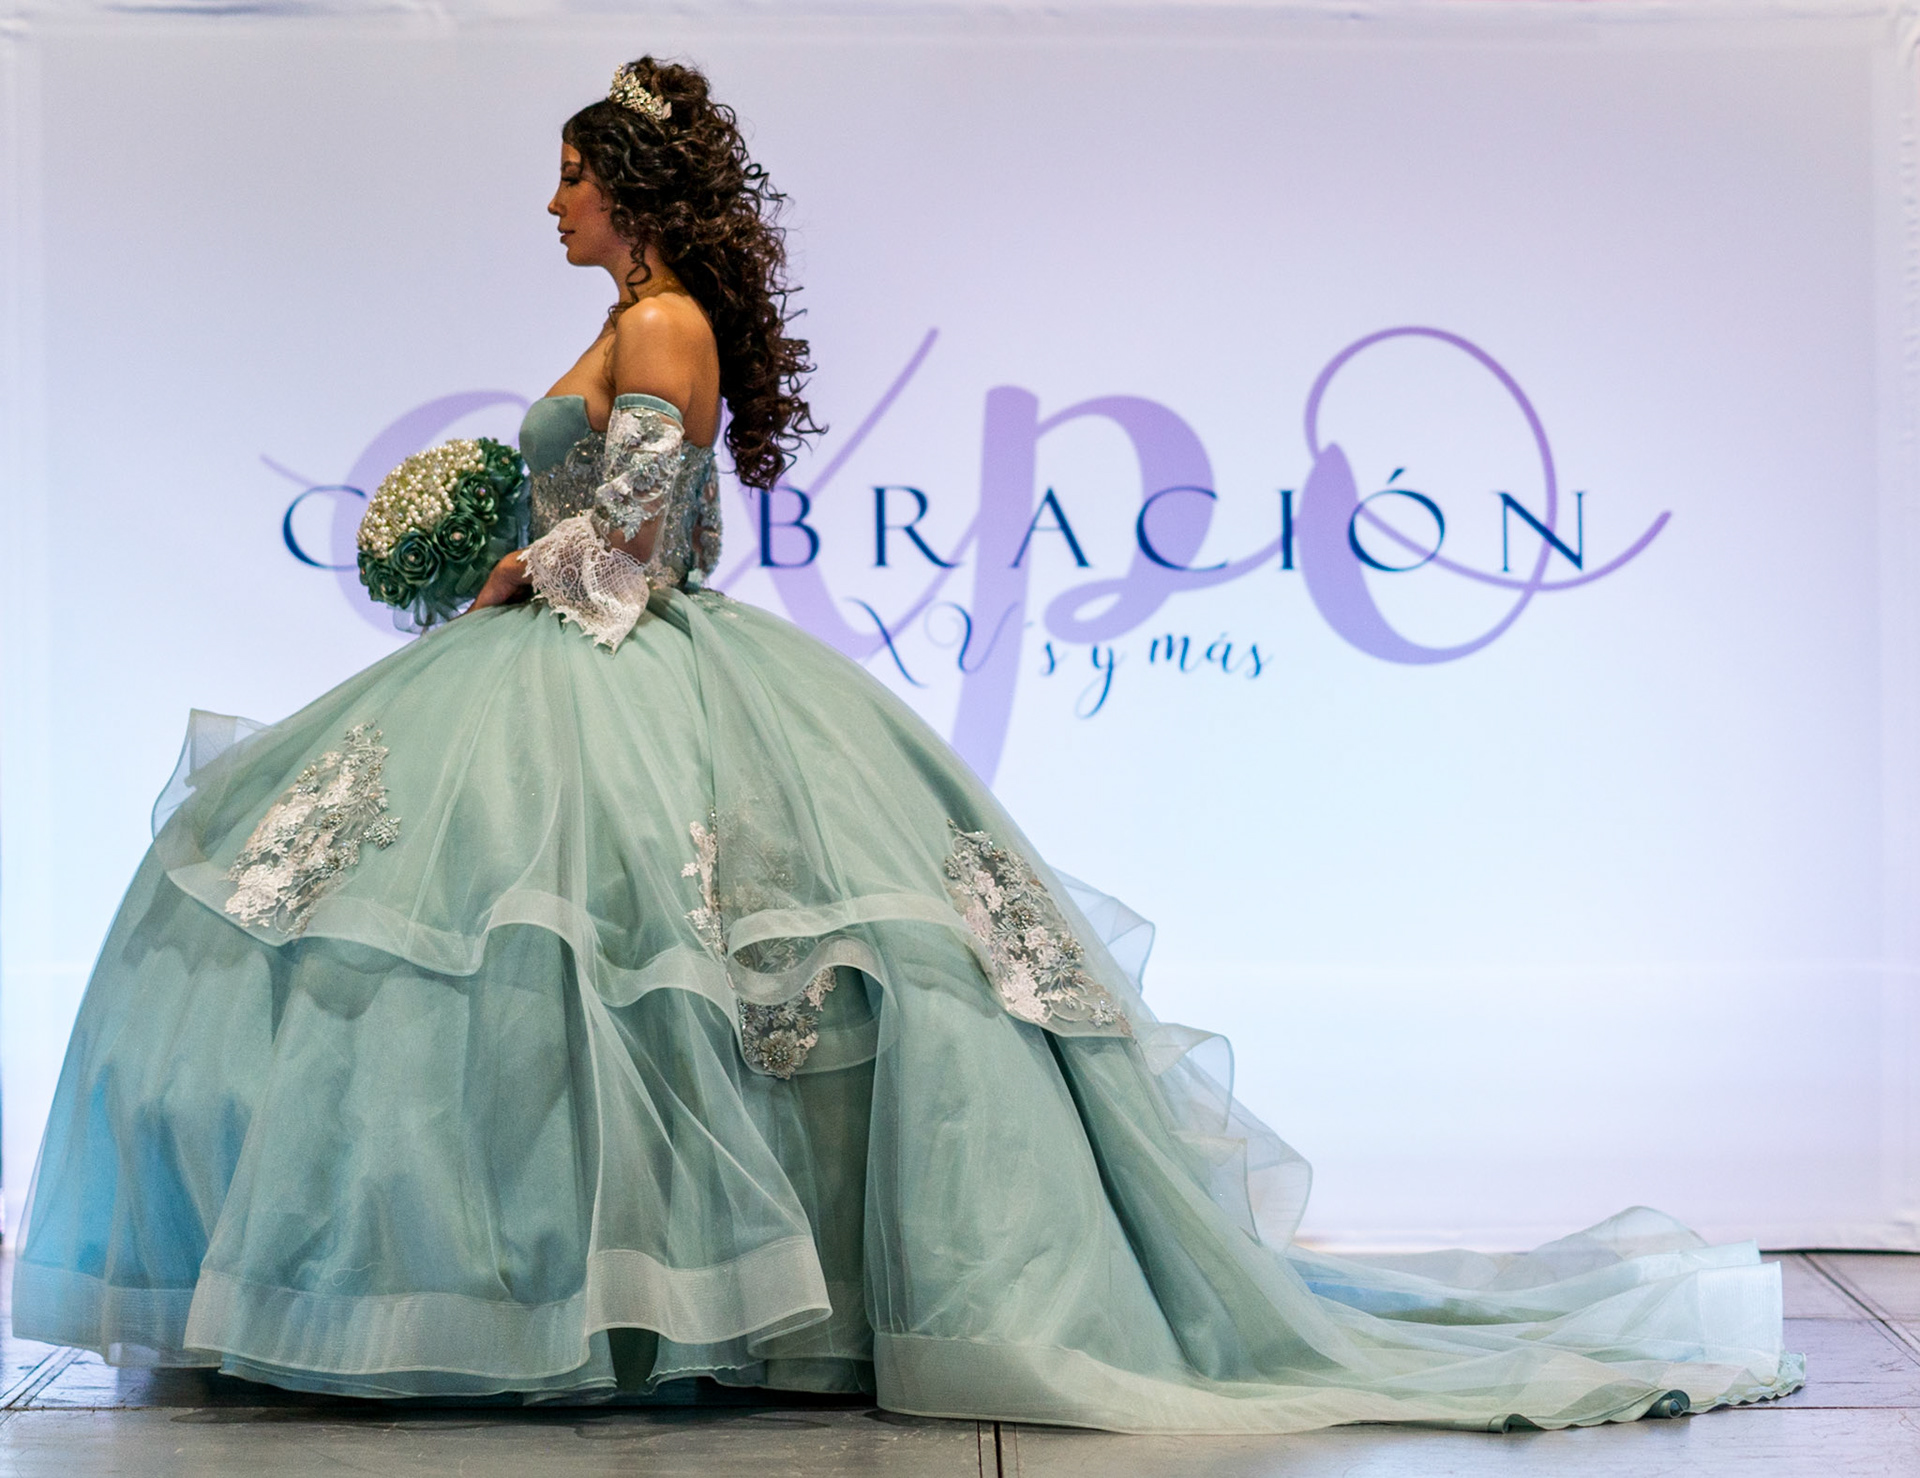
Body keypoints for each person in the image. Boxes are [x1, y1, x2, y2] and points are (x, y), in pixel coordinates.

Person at [11, 57, 1803, 1432]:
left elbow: (636, 551)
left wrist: (505, 565)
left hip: (610, 659)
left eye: (565, 174)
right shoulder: (631, 315)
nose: (548, 203)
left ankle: (624, 1299)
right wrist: (502, 539)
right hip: (579, 655)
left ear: (626, 186)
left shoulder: (663, 320)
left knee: (606, 966)